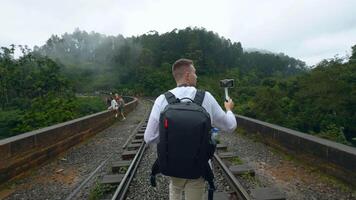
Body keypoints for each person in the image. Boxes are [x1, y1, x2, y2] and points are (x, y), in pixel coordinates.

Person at [144, 58, 237, 200]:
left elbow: (149, 137)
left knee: (175, 189)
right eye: (195, 72)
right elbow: (230, 126)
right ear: (187, 75)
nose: (197, 76)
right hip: (198, 167)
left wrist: (172, 136)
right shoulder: (206, 97)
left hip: (172, 166)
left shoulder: (162, 99)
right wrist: (229, 109)